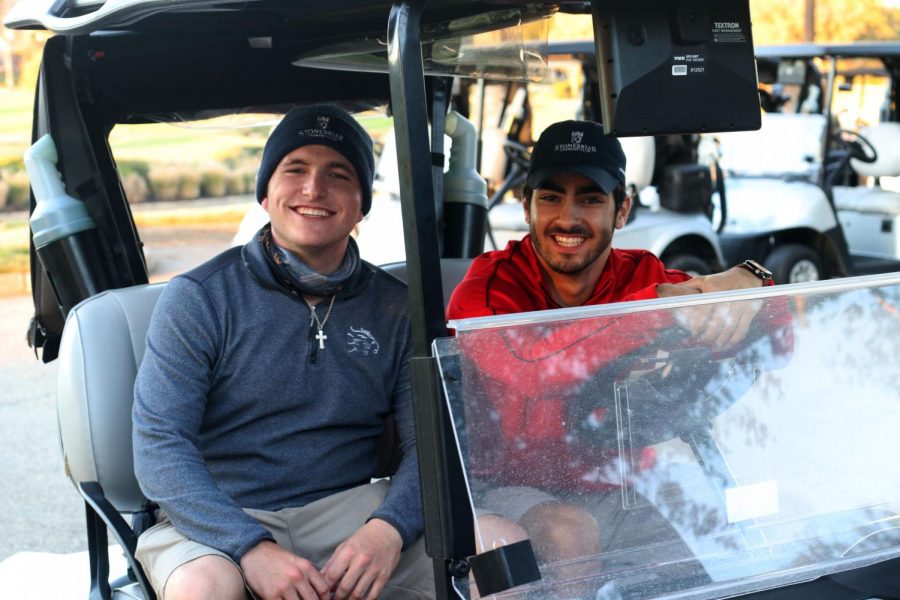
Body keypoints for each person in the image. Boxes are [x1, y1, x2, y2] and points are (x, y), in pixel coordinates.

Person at [446, 119, 788, 591]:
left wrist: (753, 284)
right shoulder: (488, 286)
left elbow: (778, 342)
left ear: (621, 209)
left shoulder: (642, 274)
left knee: (714, 536)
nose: (568, 218)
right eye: (551, 197)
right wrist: (660, 309)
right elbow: (536, 370)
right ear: (526, 207)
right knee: (570, 532)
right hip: (503, 488)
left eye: (590, 198)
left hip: (620, 486)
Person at [133, 105, 433, 600]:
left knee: (490, 552)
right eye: (295, 169)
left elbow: (430, 446)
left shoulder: (397, 307)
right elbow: (159, 445)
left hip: (353, 510)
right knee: (202, 588)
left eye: (338, 175)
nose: (314, 189)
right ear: (266, 193)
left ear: (362, 205)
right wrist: (251, 548)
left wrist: (389, 528)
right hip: (220, 514)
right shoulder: (200, 296)